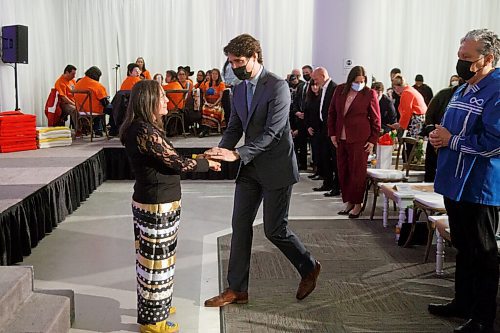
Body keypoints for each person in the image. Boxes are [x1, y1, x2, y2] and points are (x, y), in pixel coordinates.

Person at [203, 34, 320, 307]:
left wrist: (237, 153)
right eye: (231, 62)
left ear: (255, 57)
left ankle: (309, 266)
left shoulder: (277, 86)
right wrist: (222, 151)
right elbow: (234, 127)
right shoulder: (240, 88)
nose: (234, 67)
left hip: (277, 167)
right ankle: (237, 289)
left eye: (239, 61)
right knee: (240, 225)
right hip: (251, 168)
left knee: (275, 229)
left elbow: (273, 132)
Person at [119, 80, 220, 333]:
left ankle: (157, 305)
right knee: (156, 262)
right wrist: (206, 164)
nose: (167, 100)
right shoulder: (144, 131)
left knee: (152, 259)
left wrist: (199, 158)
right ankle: (154, 322)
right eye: (162, 96)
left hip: (154, 202)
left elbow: (167, 159)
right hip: (157, 205)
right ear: (148, 100)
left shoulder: (141, 128)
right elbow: (176, 163)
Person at [428, 28, 500, 333]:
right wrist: (437, 136)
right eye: (459, 57)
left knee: (483, 253)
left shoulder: (497, 90)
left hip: (479, 186)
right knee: (463, 246)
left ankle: (483, 317)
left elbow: (495, 142)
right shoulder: (463, 88)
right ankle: (462, 302)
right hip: (453, 182)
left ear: (488, 58)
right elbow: (449, 128)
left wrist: (452, 141)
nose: (460, 63)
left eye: (467, 58)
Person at [328, 66, 381, 218]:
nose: (359, 83)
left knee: (357, 172)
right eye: (357, 81)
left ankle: (358, 204)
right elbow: (332, 113)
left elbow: (376, 119)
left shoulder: (369, 93)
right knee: (344, 170)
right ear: (350, 80)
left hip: (360, 139)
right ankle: (348, 201)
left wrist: (372, 140)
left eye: (362, 81)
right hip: (341, 138)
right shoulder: (339, 90)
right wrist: (332, 133)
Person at [311, 67, 339, 196]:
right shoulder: (323, 89)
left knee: (334, 159)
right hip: (323, 128)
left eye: (316, 79)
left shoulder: (335, 88)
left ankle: (336, 186)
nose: (315, 82)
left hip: (332, 129)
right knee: (324, 157)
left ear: (323, 75)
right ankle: (327, 183)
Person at [73, 66, 110, 136]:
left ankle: (97, 130)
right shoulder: (97, 85)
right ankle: (110, 130)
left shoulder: (78, 83)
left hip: (80, 110)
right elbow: (104, 102)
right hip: (94, 111)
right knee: (113, 109)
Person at [198, 68, 226, 137]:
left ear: (218, 75)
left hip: (217, 103)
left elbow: (220, 97)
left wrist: (214, 104)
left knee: (214, 110)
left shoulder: (221, 84)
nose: (214, 75)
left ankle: (206, 129)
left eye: (216, 74)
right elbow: (204, 95)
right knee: (204, 108)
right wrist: (206, 102)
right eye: (213, 74)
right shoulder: (207, 84)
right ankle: (205, 129)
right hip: (207, 102)